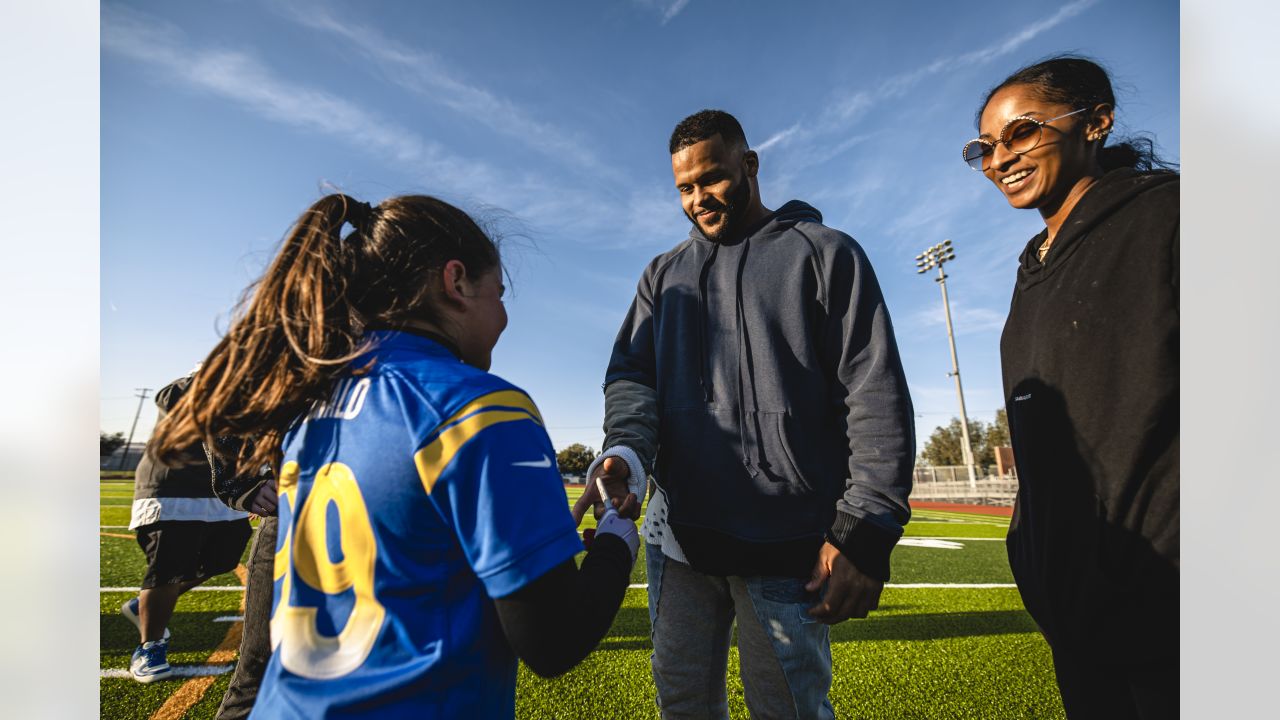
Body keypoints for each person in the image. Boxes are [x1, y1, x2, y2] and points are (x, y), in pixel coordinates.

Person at [149, 193, 640, 717]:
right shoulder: (479, 407)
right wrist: (616, 540)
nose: (503, 317)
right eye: (499, 294)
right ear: (456, 282)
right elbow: (552, 640)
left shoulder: (313, 404)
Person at [577, 109, 915, 719]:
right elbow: (631, 377)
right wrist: (626, 451)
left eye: (711, 179)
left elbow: (875, 393)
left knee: (787, 710)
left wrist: (866, 536)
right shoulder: (662, 276)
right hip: (678, 537)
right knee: (681, 703)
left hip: (788, 543)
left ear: (750, 165)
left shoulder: (826, 254)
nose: (698, 199)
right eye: (684, 187)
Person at [963, 56, 1179, 718]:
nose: (1001, 159)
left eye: (1022, 132)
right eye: (985, 148)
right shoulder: (1032, 269)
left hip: (1175, 607)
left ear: (1097, 122)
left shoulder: (1172, 217)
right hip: (1076, 618)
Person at [123, 372, 253, 683]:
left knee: (223, 560)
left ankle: (144, 605)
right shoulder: (191, 384)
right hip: (174, 485)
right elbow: (168, 397)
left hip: (221, 489)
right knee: (168, 567)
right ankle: (149, 646)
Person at [205, 435, 277, 720]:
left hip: (405, 521)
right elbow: (218, 394)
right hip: (296, 516)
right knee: (260, 669)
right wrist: (240, 483)